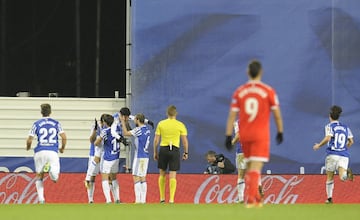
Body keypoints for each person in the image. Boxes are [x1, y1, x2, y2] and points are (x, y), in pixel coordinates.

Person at [225, 59, 284, 207]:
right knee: (255, 167)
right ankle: (253, 198)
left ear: (247, 72)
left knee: (245, 169)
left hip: (245, 135)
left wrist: (228, 135)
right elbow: (276, 113)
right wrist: (280, 131)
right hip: (260, 134)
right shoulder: (268, 90)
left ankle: (249, 198)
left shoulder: (240, 91)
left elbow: (232, 114)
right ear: (261, 72)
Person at [26, 103, 67, 204]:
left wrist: (28, 147)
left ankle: (41, 199)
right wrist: (62, 148)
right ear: (50, 112)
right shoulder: (56, 123)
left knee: (39, 176)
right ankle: (51, 171)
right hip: (52, 151)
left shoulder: (36, 124)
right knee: (55, 178)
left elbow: (30, 140)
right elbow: (64, 137)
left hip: (40, 151)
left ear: (41, 112)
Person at [312, 105, 354, 204]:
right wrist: (344, 147)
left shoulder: (329, 126)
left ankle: (329, 198)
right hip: (344, 155)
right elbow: (351, 141)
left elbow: (328, 138)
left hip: (332, 154)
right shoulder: (345, 127)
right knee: (342, 178)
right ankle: (346, 174)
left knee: (330, 177)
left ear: (330, 116)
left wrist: (319, 145)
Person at [153, 105, 189, 204]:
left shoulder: (161, 124)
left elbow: (156, 140)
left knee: (162, 174)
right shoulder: (180, 125)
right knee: (172, 175)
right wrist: (186, 152)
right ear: (176, 114)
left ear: (167, 113)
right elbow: (185, 141)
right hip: (175, 149)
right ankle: (171, 199)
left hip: (163, 149)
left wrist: (155, 152)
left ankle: (162, 198)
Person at [120, 113, 150, 204]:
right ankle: (143, 200)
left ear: (137, 120)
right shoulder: (147, 130)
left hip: (139, 156)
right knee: (142, 177)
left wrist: (122, 122)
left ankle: (138, 200)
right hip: (145, 156)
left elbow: (125, 133)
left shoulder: (138, 130)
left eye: (135, 119)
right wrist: (127, 123)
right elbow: (132, 132)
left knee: (136, 177)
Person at [94, 114, 121, 203]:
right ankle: (117, 199)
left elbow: (96, 143)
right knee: (114, 178)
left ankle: (108, 200)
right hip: (116, 157)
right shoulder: (117, 129)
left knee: (105, 178)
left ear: (105, 122)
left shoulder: (105, 131)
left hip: (108, 158)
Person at [84, 115, 105, 203]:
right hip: (94, 154)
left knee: (108, 176)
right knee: (92, 177)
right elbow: (91, 140)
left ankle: (114, 199)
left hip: (105, 154)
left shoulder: (109, 128)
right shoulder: (95, 127)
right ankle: (90, 199)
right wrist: (95, 131)